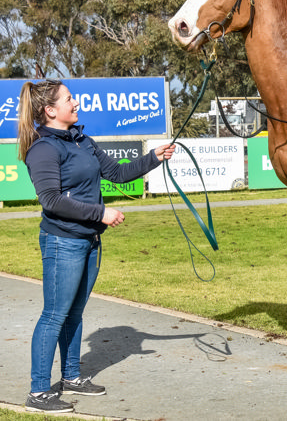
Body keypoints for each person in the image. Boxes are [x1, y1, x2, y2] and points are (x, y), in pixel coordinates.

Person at [17, 79, 176, 413]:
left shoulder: (82, 141)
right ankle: (38, 392)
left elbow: (117, 173)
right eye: (69, 99)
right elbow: (51, 200)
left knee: (74, 313)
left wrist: (153, 157)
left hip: (89, 242)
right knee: (54, 316)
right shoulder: (44, 149)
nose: (76, 104)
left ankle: (72, 377)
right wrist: (100, 212)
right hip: (63, 243)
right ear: (50, 110)